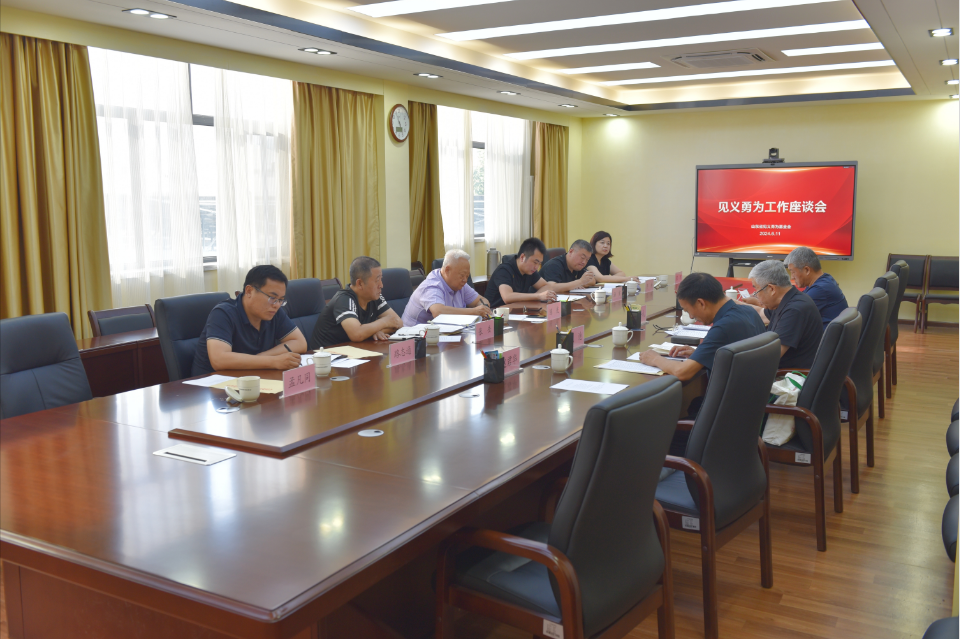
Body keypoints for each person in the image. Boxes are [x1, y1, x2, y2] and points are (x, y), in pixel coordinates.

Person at [638, 272, 766, 455]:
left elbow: (683, 372)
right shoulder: (747, 312)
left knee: (652, 433)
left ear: (701, 303)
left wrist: (655, 358)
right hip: (746, 413)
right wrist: (700, 354)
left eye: (688, 309)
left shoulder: (724, 326)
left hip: (724, 421)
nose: (691, 315)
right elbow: (732, 351)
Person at [192, 265, 306, 376]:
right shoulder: (223, 313)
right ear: (249, 291)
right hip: (214, 383)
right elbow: (219, 360)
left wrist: (262, 358)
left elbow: (300, 343)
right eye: (272, 298)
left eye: (281, 300)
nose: (277, 305)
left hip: (253, 377)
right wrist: (273, 361)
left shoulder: (273, 311)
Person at [743, 260, 824, 369]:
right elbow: (760, 313)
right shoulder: (788, 299)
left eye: (756, 290)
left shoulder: (795, 310)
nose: (755, 295)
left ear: (771, 289)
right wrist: (728, 303)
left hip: (789, 375)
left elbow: (770, 357)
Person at [312, 256, 404, 348]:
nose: (381, 285)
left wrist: (378, 331)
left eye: (381, 279)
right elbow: (357, 334)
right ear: (360, 283)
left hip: (354, 349)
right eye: (377, 280)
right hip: (328, 353)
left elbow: (398, 322)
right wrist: (384, 322)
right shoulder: (344, 299)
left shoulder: (375, 297)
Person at [402, 249, 491, 326]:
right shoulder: (432, 285)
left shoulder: (460, 284)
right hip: (415, 337)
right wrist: (474, 312)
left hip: (444, 333)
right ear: (447, 270)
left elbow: (481, 300)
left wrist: (484, 308)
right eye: (462, 275)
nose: (465, 280)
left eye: (467, 276)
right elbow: (438, 312)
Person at [783, 246, 848, 328]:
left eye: (793, 272)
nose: (792, 277)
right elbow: (795, 300)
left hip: (822, 335)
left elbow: (791, 315)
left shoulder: (820, 290)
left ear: (807, 270)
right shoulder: (825, 279)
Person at [485, 237, 559, 308]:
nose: (536, 267)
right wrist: (538, 296)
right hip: (495, 313)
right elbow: (507, 297)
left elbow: (547, 286)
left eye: (539, 263)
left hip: (517, 310)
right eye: (535, 262)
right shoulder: (504, 270)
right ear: (522, 257)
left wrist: (536, 297)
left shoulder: (530, 271)